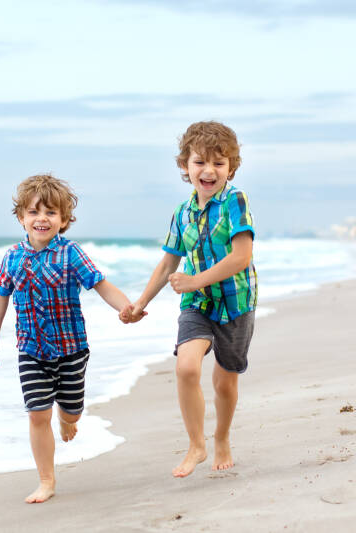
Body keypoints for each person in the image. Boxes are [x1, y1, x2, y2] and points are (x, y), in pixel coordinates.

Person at [0, 174, 132, 503]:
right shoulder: (13, 257)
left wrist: (126, 308)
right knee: (37, 414)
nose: (42, 218)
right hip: (31, 351)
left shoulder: (71, 253)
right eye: (34, 212)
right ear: (21, 217)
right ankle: (46, 480)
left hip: (71, 350)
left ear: (64, 220)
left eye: (50, 212)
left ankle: (68, 417)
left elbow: (100, 284)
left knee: (72, 411)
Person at [121, 121, 257, 478]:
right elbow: (169, 262)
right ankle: (197, 445)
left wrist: (194, 279)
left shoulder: (235, 201)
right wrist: (140, 303)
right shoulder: (182, 212)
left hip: (236, 302)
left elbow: (242, 256)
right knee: (187, 367)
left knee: (225, 383)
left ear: (231, 167)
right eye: (200, 162)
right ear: (185, 166)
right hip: (197, 304)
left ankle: (221, 437)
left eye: (219, 163)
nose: (209, 171)